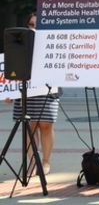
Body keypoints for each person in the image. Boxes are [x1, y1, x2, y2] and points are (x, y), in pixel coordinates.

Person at [4, 13, 59, 177]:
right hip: (25, 91)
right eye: (31, 24)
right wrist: (9, 91)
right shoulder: (19, 46)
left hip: (48, 89)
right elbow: (10, 68)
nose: (34, 28)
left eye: (37, 24)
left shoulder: (53, 44)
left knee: (46, 125)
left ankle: (46, 161)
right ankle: (33, 162)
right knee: (29, 126)